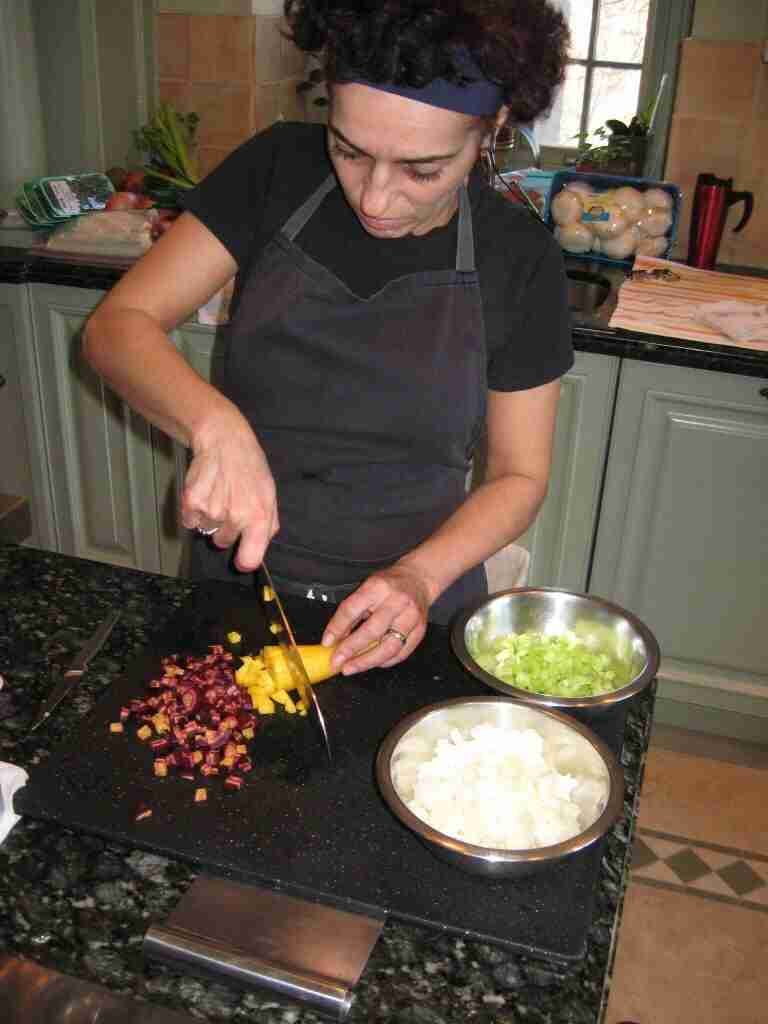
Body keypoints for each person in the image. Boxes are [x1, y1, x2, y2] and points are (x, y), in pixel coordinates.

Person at [83, 0, 572, 678]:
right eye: (348, 149)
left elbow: (520, 476)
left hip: (410, 612)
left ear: (491, 129)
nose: (374, 198)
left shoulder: (520, 258)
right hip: (241, 584)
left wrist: (420, 577)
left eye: (421, 170)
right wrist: (216, 426)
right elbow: (116, 326)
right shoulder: (276, 171)